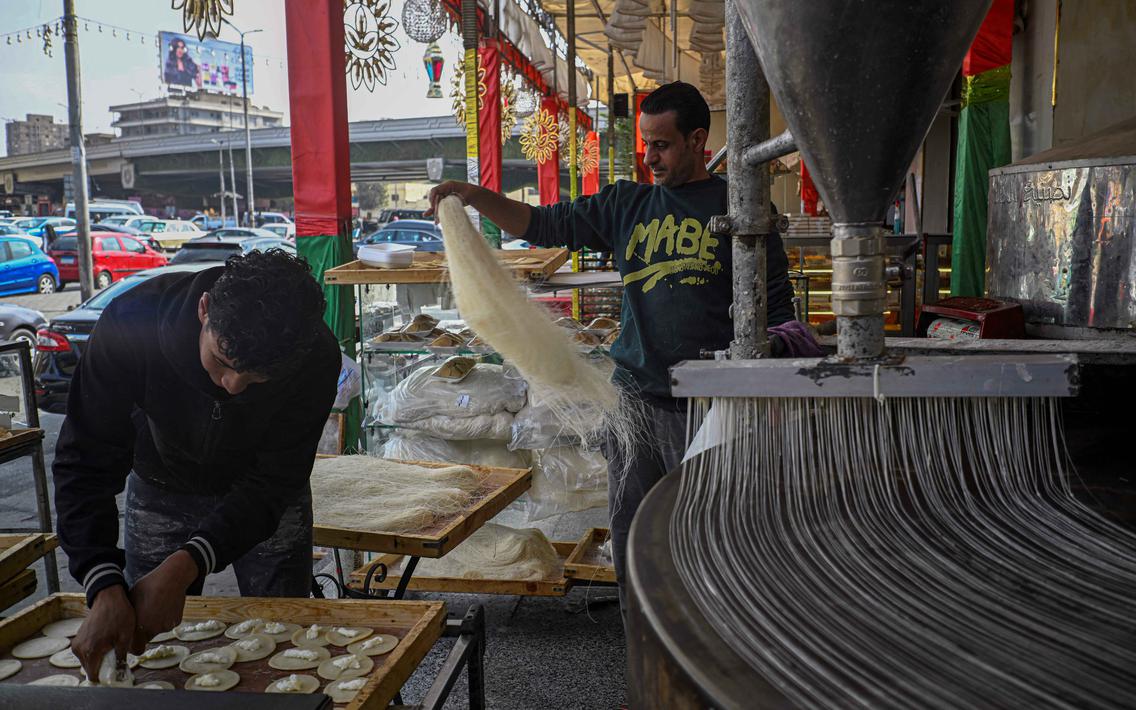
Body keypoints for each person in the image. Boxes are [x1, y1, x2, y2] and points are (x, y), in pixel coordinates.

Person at [427, 81, 796, 612]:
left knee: (708, 534)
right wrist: (474, 196)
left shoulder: (739, 208)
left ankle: (708, 651)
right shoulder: (629, 203)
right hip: (634, 403)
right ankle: (642, 647)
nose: (650, 158)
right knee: (634, 534)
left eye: (662, 145)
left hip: (711, 406)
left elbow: (777, 308)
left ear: (697, 139)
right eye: (645, 144)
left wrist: (775, 386)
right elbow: (544, 224)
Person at [53, 250, 340, 681]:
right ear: (204, 309)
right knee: (148, 645)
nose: (233, 387)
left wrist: (190, 561)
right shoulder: (131, 324)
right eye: (222, 363)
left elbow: (276, 480)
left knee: (287, 640)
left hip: (264, 496)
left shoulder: (313, 355)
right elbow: (85, 460)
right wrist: (101, 581)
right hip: (160, 483)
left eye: (257, 379)